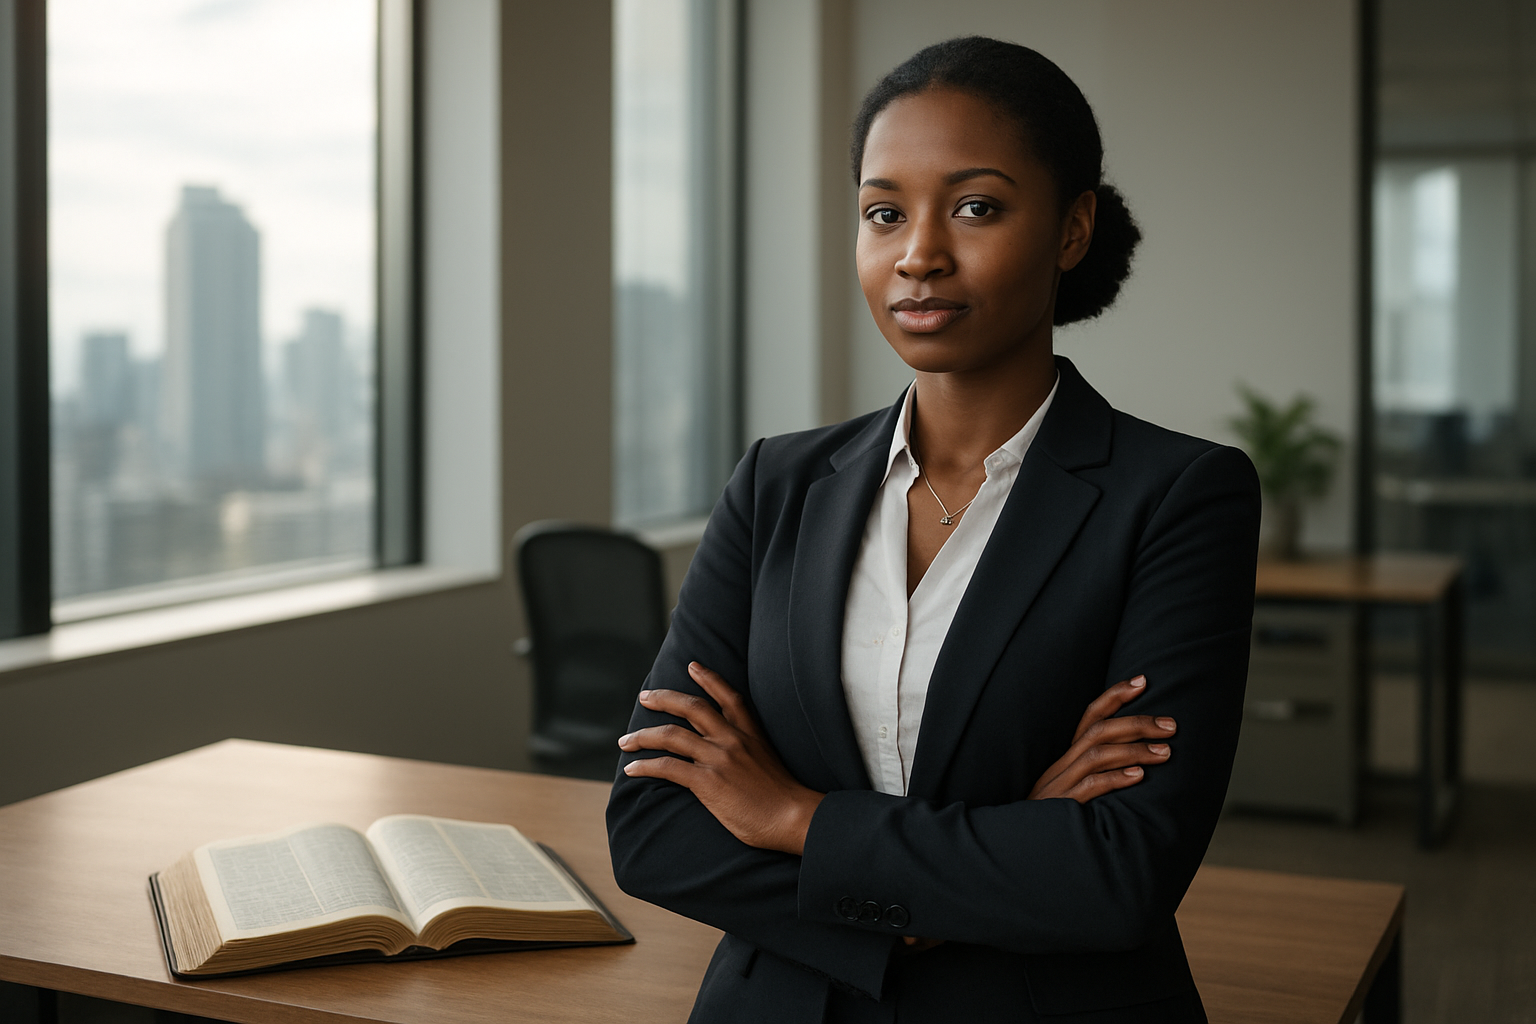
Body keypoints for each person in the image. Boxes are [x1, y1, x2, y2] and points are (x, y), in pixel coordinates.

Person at [606, 36, 1260, 1024]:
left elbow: (1120, 870)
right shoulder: (775, 482)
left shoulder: (1178, 497)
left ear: (1072, 228)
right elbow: (654, 825)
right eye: (884, 212)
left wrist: (794, 817)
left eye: (976, 207)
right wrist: (990, 855)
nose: (918, 254)